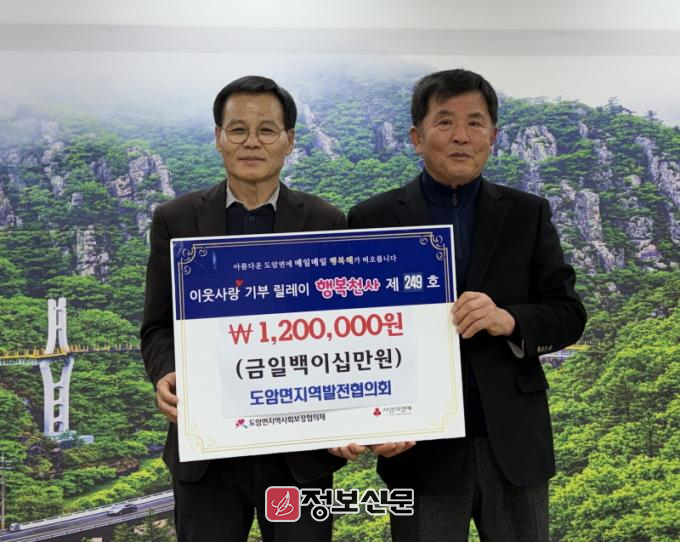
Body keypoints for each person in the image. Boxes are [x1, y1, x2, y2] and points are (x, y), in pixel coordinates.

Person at [348, 69, 587, 541]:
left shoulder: (527, 213)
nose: (461, 136)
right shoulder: (372, 218)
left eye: (475, 123)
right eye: (445, 122)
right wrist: (369, 418)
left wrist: (509, 319)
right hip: (418, 448)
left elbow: (568, 314)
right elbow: (353, 331)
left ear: (493, 137)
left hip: (513, 442)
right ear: (417, 138)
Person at [141, 75, 354, 542]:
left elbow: (342, 332)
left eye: (267, 130)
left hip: (300, 452)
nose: (252, 142)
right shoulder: (176, 219)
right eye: (238, 130)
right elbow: (157, 325)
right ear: (218, 137)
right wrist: (167, 372)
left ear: (289, 141)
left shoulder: (325, 221)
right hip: (207, 449)